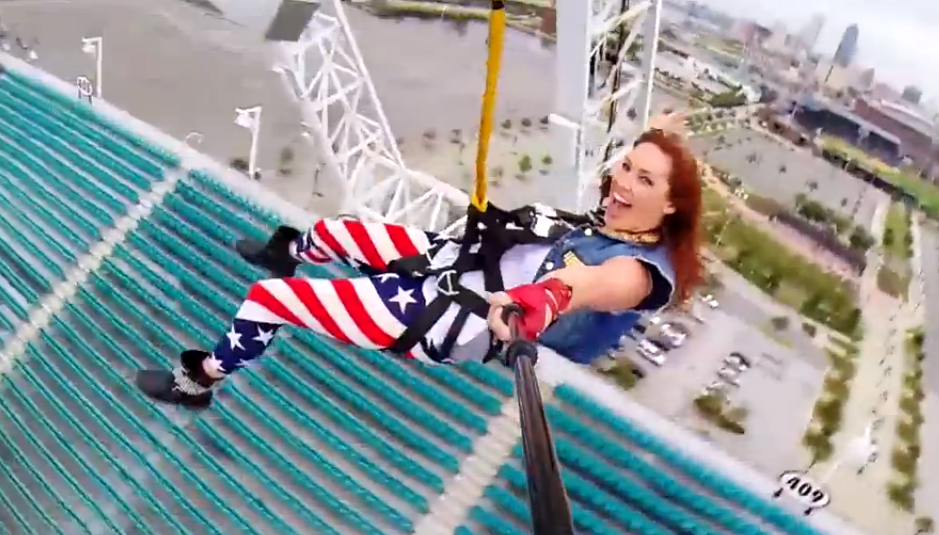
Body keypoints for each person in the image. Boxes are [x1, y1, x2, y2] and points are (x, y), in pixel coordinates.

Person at [136, 115, 703, 409]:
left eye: (643, 178)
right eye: (626, 166)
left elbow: (591, 284)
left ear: (671, 204)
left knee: (268, 302)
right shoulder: (620, 220)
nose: (620, 181)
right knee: (335, 232)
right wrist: (661, 136)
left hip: (452, 315)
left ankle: (198, 383)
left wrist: (548, 297)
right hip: (456, 262)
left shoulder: (641, 273)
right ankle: (289, 253)